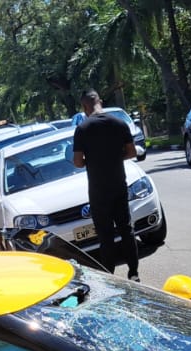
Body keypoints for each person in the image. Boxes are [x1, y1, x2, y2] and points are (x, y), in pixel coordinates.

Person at [72, 90, 141, 281]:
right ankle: (134, 273)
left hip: (98, 189)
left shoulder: (83, 129)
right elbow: (132, 152)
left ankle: (110, 275)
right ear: (99, 102)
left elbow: (77, 161)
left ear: (85, 106)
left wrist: (93, 161)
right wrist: (114, 158)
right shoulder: (119, 123)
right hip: (119, 184)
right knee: (126, 229)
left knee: (105, 234)